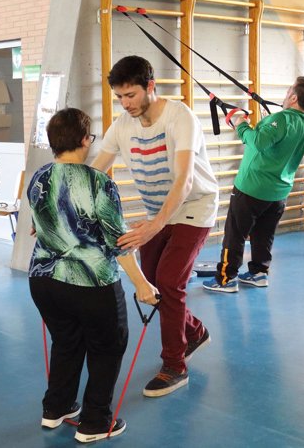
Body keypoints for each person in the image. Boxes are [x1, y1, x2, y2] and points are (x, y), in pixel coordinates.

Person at [92, 55, 219, 398]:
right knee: (148, 282)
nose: (125, 103)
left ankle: (175, 366)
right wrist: (58, 207)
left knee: (168, 280)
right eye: (119, 96)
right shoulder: (122, 125)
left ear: (150, 86)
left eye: (130, 95)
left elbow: (185, 178)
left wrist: (153, 226)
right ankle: (193, 331)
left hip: (194, 205)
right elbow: (93, 173)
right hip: (158, 211)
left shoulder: (180, 117)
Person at [29, 108, 158, 443]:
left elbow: (41, 222)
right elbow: (120, 240)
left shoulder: (38, 177)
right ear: (85, 140)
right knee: (107, 346)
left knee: (67, 341)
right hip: (91, 282)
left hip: (43, 281)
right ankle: (96, 422)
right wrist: (142, 284)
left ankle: (55, 408)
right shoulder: (100, 182)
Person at [203, 76, 304, 293]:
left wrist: (241, 125)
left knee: (235, 234)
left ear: (294, 97)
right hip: (279, 193)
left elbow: (257, 141)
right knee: (263, 234)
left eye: (288, 91)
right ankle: (259, 273)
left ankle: (225, 279)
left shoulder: (281, 120)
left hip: (251, 188)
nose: (285, 95)